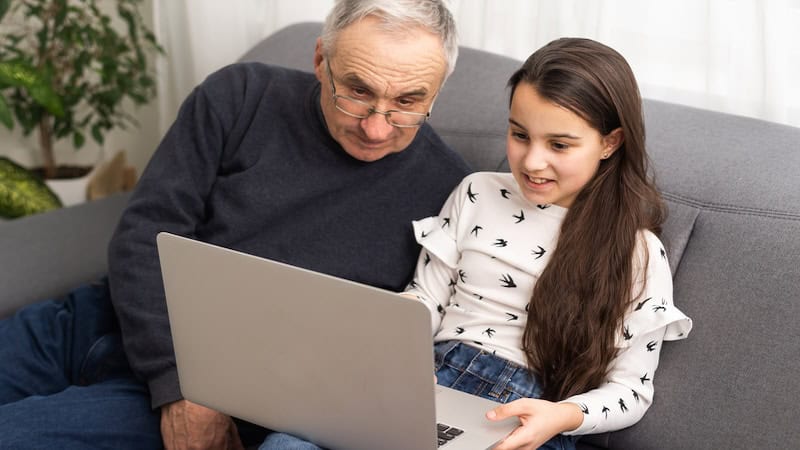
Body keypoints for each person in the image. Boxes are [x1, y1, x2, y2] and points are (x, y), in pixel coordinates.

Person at [0, 1, 469, 449]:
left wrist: (202, 394)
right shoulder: (240, 95)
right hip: (99, 320)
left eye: (408, 102)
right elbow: (145, 231)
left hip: (219, 392)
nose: (376, 128)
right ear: (321, 60)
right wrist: (176, 383)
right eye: (357, 92)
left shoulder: (452, 194)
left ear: (439, 91)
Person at [260, 38, 692, 450]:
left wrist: (562, 417)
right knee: (286, 441)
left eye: (559, 145)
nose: (531, 161)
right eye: (520, 135)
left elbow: (631, 391)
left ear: (610, 142)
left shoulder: (638, 253)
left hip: (525, 421)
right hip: (426, 381)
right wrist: (399, 355)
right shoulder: (477, 192)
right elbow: (426, 296)